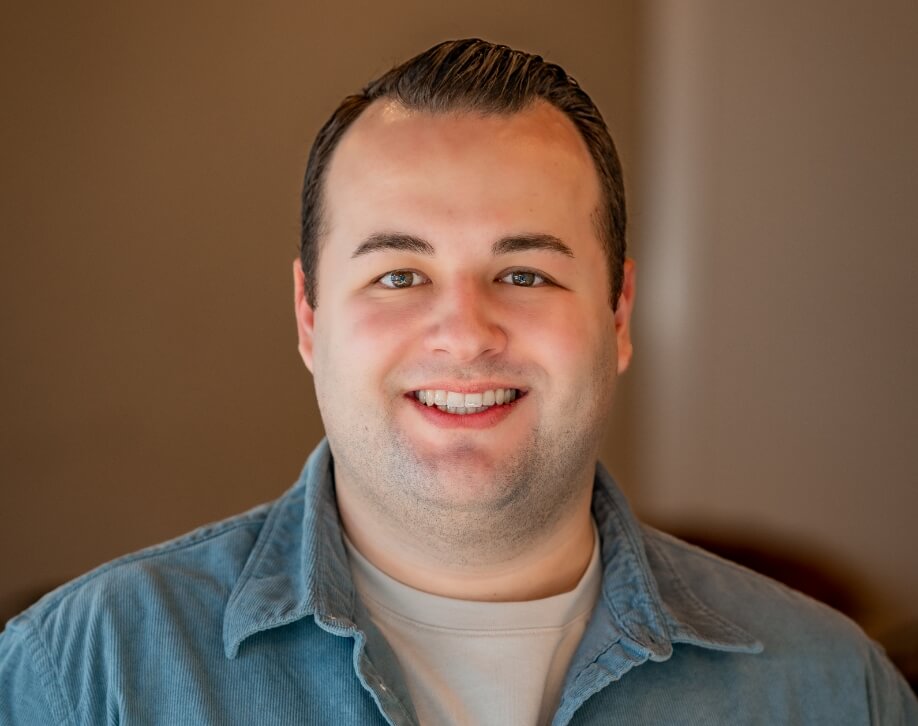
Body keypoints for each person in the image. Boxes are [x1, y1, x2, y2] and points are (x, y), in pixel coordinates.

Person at [0, 38, 914, 726]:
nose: (465, 331)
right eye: (399, 274)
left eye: (526, 273)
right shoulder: (82, 674)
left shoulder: (832, 689)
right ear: (310, 314)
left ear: (619, 314)